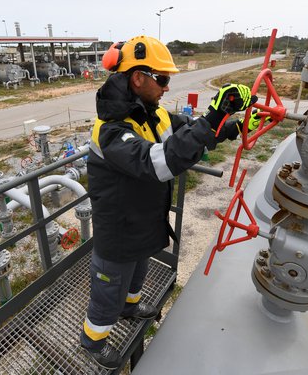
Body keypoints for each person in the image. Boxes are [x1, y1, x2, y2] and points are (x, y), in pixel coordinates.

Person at [80, 35, 257, 369]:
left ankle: (130, 307)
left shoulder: (154, 114)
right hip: (118, 229)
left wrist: (230, 125)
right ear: (138, 78)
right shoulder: (112, 130)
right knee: (109, 288)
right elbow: (156, 162)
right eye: (162, 79)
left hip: (143, 219)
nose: (166, 87)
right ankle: (93, 339)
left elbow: (189, 132)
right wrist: (213, 117)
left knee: (137, 273)